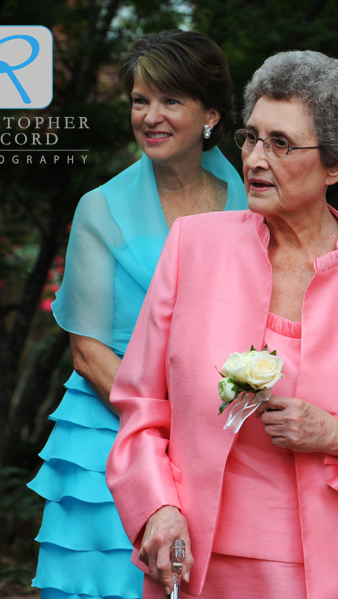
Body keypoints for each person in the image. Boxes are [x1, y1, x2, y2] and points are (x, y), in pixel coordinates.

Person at [105, 50, 338, 599]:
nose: (255, 158)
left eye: (281, 143)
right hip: (202, 561)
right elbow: (141, 406)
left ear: (337, 164)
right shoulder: (193, 247)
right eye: (251, 137)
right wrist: (155, 508)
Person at [27, 30, 246, 599]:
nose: (151, 116)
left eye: (170, 101)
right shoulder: (99, 207)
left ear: (210, 115)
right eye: (139, 101)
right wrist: (164, 421)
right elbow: (87, 349)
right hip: (112, 424)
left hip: (223, 428)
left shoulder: (251, 200)